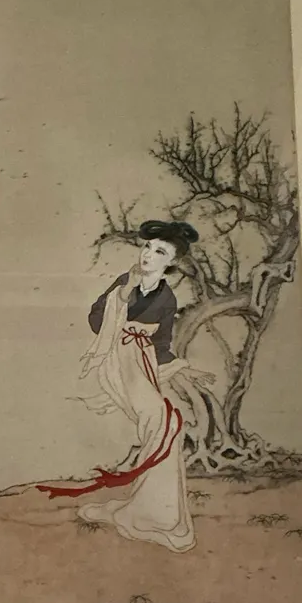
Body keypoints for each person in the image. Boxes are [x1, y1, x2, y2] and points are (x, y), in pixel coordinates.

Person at [37, 220, 201, 553]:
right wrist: (123, 295)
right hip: (116, 359)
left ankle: (156, 512)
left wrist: (182, 368)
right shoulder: (125, 281)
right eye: (147, 247)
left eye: (160, 252)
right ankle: (150, 511)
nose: (148, 255)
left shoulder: (167, 297)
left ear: (172, 262)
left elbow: (162, 343)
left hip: (141, 363)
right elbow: (96, 320)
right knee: (159, 420)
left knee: (168, 424)